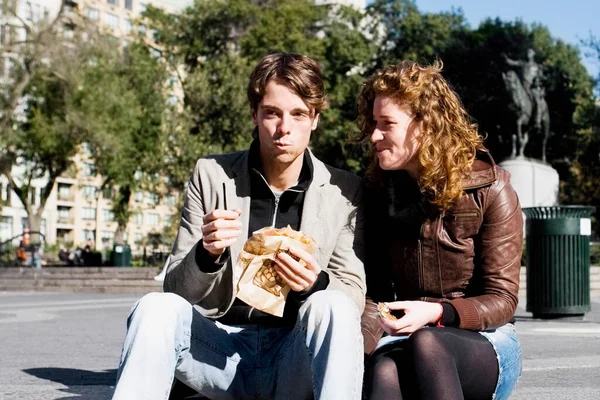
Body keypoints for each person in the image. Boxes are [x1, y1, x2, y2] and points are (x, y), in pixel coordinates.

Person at [112, 53, 366, 400]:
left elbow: (353, 294)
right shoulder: (212, 175)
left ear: (315, 119)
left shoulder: (344, 191)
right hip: (219, 348)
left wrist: (315, 283)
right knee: (154, 309)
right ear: (254, 114)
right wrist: (206, 254)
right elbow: (175, 287)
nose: (284, 128)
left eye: (298, 114)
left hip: (292, 356)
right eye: (272, 113)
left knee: (333, 305)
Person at [357, 60, 523, 400]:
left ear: (426, 126)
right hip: (404, 337)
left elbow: (503, 300)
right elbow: (371, 295)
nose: (374, 135)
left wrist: (437, 312)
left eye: (387, 124)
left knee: (427, 342)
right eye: (374, 123)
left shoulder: (489, 189)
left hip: (484, 340)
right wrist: (359, 348)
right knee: (384, 368)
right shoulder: (378, 192)